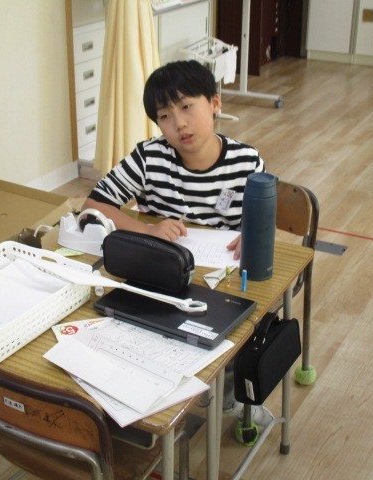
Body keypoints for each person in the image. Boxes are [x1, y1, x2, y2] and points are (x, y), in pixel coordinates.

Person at [82, 60, 273, 435]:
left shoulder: (246, 161)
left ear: (214, 103)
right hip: (164, 274)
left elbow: (260, 223)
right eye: (165, 116)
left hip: (223, 280)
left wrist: (251, 233)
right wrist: (146, 229)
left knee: (237, 326)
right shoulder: (149, 157)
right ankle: (156, 396)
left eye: (187, 107)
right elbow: (94, 205)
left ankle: (227, 393)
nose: (179, 124)